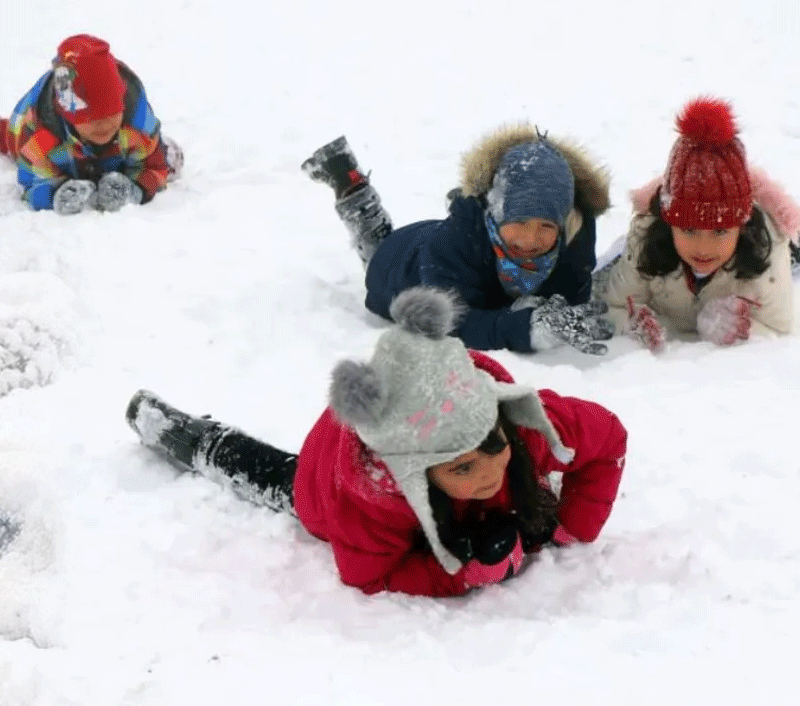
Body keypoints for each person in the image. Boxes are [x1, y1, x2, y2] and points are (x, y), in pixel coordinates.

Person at [126, 287, 627, 597]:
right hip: (326, 483)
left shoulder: (523, 422)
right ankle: (186, 436)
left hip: (404, 422)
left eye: (491, 448)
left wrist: (569, 526)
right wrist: (460, 574)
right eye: (460, 469)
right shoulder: (373, 499)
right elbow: (369, 576)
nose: (489, 473)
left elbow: (608, 440)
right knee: (275, 477)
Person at [302, 127, 614, 354]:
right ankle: (351, 187)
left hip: (453, 244)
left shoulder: (574, 233)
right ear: (495, 211)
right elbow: (452, 324)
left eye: (546, 224)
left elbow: (572, 294)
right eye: (518, 221)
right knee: (377, 246)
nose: (531, 239)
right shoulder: (452, 246)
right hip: (401, 266)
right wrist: (525, 327)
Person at [600, 96, 798, 351]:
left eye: (720, 230)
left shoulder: (766, 253)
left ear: (742, 225)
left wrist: (739, 329)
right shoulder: (645, 238)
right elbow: (612, 306)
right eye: (689, 230)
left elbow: (779, 328)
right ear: (668, 221)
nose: (703, 247)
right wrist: (634, 322)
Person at [0, 33, 183, 214]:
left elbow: (154, 168)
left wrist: (136, 189)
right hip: (47, 143)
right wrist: (55, 195)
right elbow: (32, 184)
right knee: (6, 138)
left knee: (167, 159)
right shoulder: (41, 138)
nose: (105, 126)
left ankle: (159, 150)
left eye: (112, 115)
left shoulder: (136, 124)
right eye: (93, 120)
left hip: (116, 152)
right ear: (69, 115)